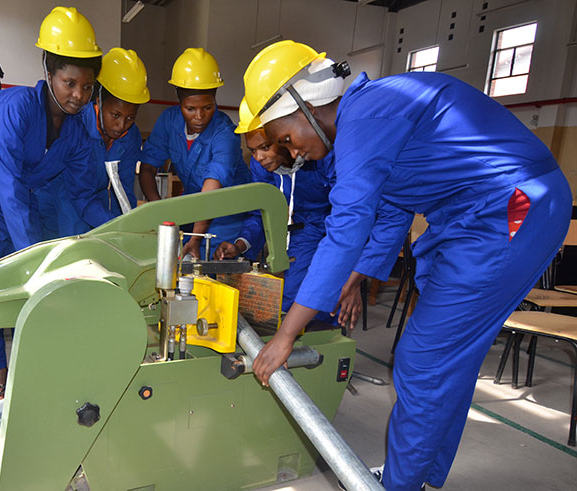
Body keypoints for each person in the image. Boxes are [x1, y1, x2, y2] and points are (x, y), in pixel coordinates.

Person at [243, 41, 571, 490]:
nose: (292, 152)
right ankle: (418, 475)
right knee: (447, 355)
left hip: (511, 207)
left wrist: (286, 334)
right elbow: (393, 208)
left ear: (306, 103)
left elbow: (348, 226)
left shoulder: (364, 118)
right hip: (488, 212)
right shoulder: (371, 114)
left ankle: (400, 484)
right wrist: (355, 277)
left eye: (285, 138)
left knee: (423, 357)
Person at [0, 6, 101, 403]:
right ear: (49, 72)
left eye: (87, 87)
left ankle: (32, 356)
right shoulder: (12, 107)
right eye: (69, 83)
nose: (78, 95)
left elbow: (84, 194)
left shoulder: (79, 132)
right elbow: (8, 184)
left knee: (23, 278)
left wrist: (123, 227)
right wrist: (35, 256)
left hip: (15, 197)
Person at [214, 99, 362, 327]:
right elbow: (259, 213)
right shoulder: (262, 167)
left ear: (281, 136)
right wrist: (240, 245)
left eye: (265, 147)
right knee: (279, 306)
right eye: (252, 150)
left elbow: (352, 217)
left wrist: (352, 275)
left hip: (327, 233)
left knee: (315, 302)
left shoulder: (322, 157)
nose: (258, 158)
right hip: (292, 239)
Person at [139, 48, 250, 259]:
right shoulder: (169, 121)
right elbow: (147, 167)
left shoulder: (225, 133)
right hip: (193, 212)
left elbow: (211, 190)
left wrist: (196, 239)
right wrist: (156, 209)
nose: (199, 117)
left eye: (207, 107)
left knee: (214, 273)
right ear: (179, 102)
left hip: (226, 220)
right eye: (190, 109)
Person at [57, 47, 150, 235]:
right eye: (115, 115)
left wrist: (127, 225)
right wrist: (114, 226)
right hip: (63, 201)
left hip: (96, 206)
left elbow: (123, 191)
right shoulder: (76, 125)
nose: (121, 125)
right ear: (98, 99)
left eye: (131, 117)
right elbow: (79, 194)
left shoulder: (131, 136)